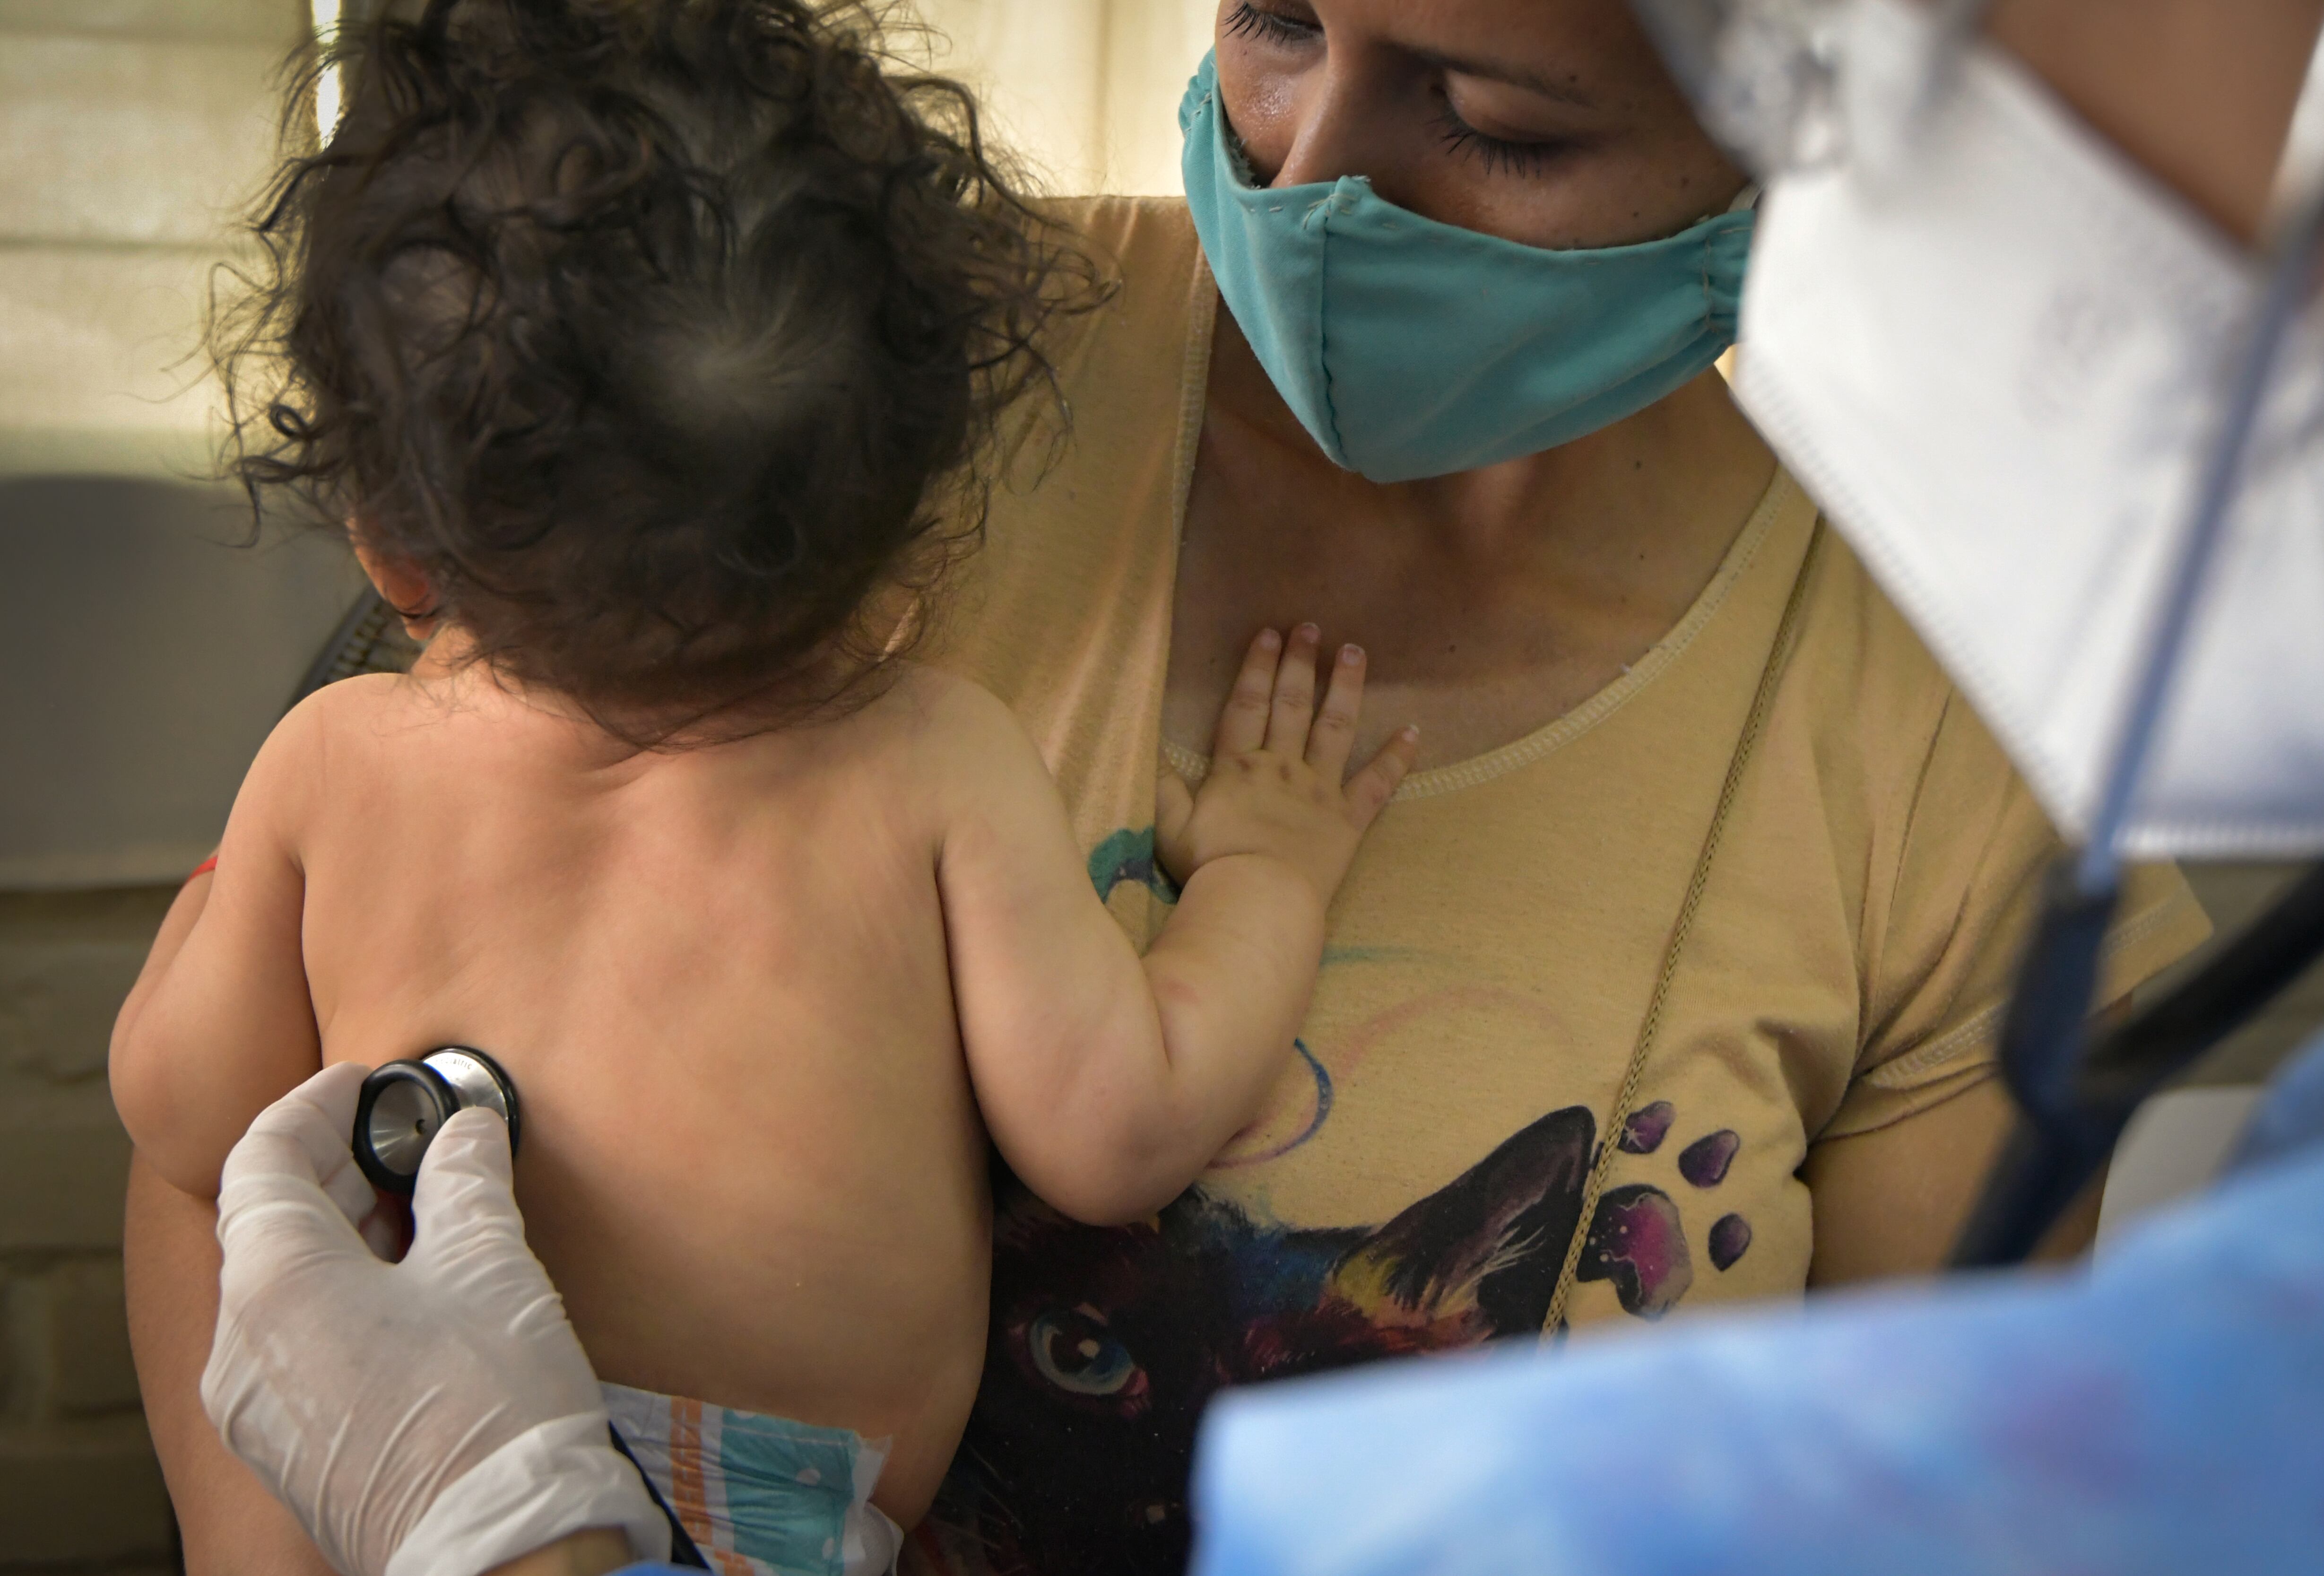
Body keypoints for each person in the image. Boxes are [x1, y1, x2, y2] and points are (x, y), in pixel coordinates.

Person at [128, 1, 2213, 1573]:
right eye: (1278, 17)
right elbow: (235, 1181)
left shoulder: (1944, 743)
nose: (1308, 172)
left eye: (1489, 117)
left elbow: (1913, 1507)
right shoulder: (827, 369)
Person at [109, 4, 1413, 1574]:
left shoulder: (337, 757)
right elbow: (1120, 1132)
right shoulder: (929, 759)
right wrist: (1267, 872)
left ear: (389, 545)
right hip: (762, 1519)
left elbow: (194, 1120)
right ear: (917, 527)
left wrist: (198, 953)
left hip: (383, 1477)